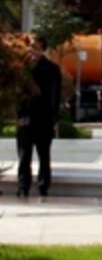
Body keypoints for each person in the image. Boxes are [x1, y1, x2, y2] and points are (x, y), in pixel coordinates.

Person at [15, 37, 63, 199]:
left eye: (33, 45)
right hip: (26, 116)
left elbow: (54, 96)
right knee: (24, 154)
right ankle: (23, 186)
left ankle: (43, 186)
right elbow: (16, 94)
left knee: (44, 154)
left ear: (41, 46)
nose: (30, 48)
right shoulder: (21, 68)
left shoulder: (52, 69)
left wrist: (54, 118)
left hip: (43, 117)